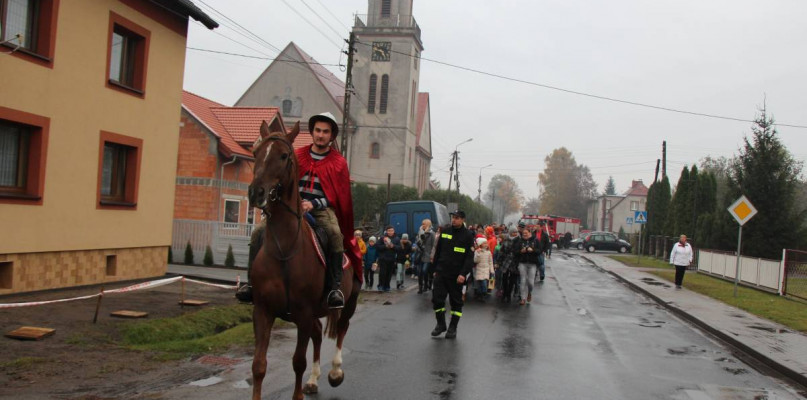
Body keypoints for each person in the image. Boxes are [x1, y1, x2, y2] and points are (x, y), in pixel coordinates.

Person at [236, 112, 360, 309]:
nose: (320, 135)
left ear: (331, 136)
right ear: (312, 132)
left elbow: (339, 195)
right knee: (258, 232)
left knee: (335, 234)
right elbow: (283, 181)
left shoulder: (338, 162)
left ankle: (334, 288)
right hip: (291, 207)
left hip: (321, 210)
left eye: (325, 132)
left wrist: (314, 204)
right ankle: (251, 284)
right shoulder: (297, 155)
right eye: (318, 130)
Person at [430, 210, 475, 339]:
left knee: (456, 303)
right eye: (453, 217)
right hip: (441, 272)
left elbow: (469, 258)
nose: (454, 220)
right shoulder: (445, 231)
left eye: (457, 218)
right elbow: (438, 251)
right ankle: (440, 324)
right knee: (437, 299)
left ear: (463, 220)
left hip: (457, 276)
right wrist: (435, 269)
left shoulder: (468, 235)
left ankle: (453, 327)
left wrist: (463, 274)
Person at [512, 228, 540, 305]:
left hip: (532, 264)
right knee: (523, 280)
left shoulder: (535, 240)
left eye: (526, 233)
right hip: (522, 263)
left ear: (530, 233)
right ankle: (523, 298)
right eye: (523, 233)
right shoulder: (519, 241)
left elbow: (539, 251)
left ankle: (529, 293)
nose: (524, 234)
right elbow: (515, 252)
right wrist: (521, 251)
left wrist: (533, 250)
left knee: (531, 282)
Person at [497, 229, 520, 303]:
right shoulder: (506, 240)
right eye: (513, 232)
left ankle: (509, 294)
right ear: (510, 233)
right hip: (506, 261)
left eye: (516, 232)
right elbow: (501, 251)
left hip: (514, 262)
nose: (515, 233)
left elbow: (520, 252)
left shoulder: (519, 241)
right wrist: (499, 262)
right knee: (504, 278)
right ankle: (504, 293)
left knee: (512, 280)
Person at [376, 226, 399, 292]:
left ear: (394, 231)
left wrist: (393, 246)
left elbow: (399, 248)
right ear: (386, 231)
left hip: (391, 259)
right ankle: (380, 286)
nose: (390, 232)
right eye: (389, 231)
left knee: (389, 273)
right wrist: (385, 246)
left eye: (392, 230)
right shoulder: (382, 238)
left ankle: (387, 286)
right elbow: (377, 246)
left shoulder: (397, 239)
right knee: (382, 273)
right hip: (383, 258)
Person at [416, 219, 436, 294]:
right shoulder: (420, 232)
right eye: (422, 224)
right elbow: (417, 242)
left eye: (424, 224)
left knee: (425, 271)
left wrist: (432, 255)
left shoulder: (432, 233)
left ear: (428, 225)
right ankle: (420, 287)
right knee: (419, 272)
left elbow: (434, 245)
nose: (422, 225)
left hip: (428, 255)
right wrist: (421, 235)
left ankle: (426, 284)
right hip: (420, 255)